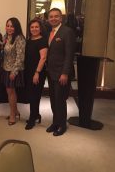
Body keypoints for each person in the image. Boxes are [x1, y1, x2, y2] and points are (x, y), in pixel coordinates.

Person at [46, 8, 76, 136]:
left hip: (61, 73)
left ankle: (62, 125)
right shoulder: (49, 32)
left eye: (56, 16)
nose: (53, 18)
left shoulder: (67, 32)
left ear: (61, 18)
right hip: (51, 72)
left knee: (60, 100)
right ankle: (55, 122)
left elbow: (69, 55)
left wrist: (65, 73)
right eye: (51, 16)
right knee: (53, 100)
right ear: (48, 19)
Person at [24, 18, 48, 130]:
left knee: (34, 96)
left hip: (37, 73)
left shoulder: (42, 40)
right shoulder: (28, 40)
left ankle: (32, 119)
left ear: (40, 28)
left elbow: (43, 58)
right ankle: (36, 114)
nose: (34, 29)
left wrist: (37, 73)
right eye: (32, 27)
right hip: (28, 72)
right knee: (31, 95)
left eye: (36, 27)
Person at [2, 17, 26, 125]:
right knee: (10, 92)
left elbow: (20, 57)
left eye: (12, 26)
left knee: (11, 92)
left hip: (14, 69)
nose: (9, 28)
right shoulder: (6, 36)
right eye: (7, 25)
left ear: (16, 27)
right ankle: (15, 111)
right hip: (6, 68)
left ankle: (13, 115)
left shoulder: (19, 38)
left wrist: (14, 72)